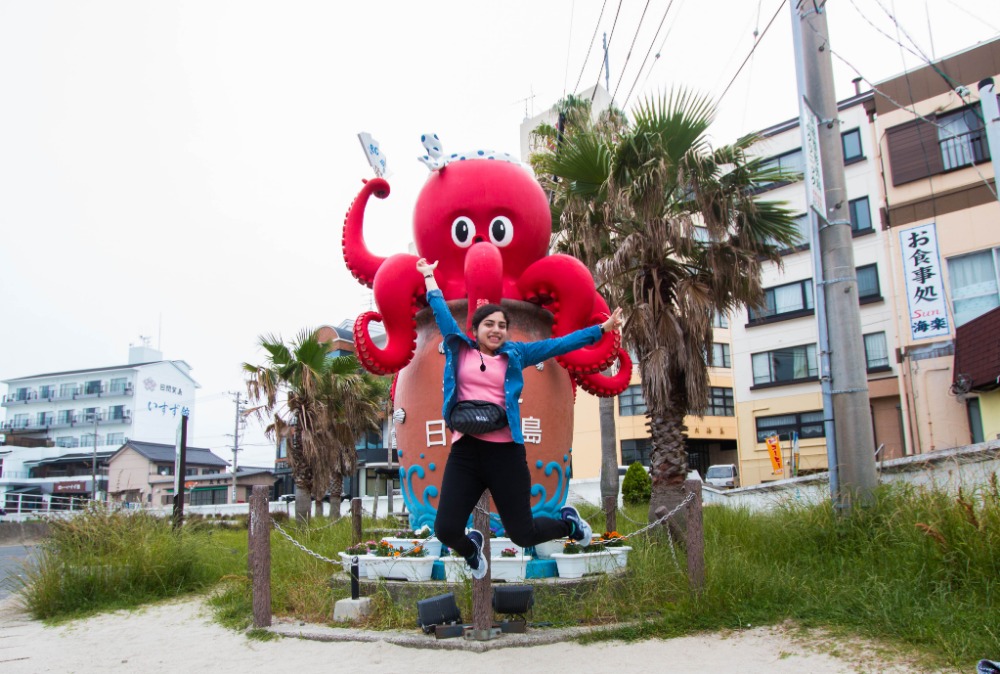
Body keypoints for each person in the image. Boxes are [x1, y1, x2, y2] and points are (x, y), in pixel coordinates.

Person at [417, 257, 624, 579]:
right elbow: (442, 312)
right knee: (446, 529)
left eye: (502, 325)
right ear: (475, 329)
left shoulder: (517, 354)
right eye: (489, 324)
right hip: (466, 452)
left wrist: (601, 330)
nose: (496, 330)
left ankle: (569, 523)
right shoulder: (459, 347)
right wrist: (429, 276)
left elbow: (560, 344)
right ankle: (472, 549)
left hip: (505, 454)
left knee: (522, 534)